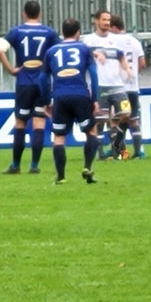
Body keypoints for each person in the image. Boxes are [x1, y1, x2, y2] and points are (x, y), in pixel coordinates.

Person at [0, 0, 61, 173]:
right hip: (42, 82)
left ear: (24, 13)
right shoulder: (49, 32)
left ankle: (16, 165)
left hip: (23, 83)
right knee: (39, 123)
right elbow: (60, 52)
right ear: (39, 13)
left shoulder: (16, 31)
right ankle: (34, 166)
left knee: (20, 123)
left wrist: (11, 70)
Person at [44, 18, 101, 184]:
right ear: (78, 32)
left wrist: (47, 99)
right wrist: (95, 98)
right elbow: (94, 75)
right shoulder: (84, 48)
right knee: (91, 131)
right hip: (80, 94)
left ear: (63, 32)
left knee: (59, 136)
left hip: (60, 96)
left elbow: (43, 77)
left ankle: (61, 177)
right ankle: (87, 168)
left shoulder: (51, 51)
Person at [81, 10, 131, 161]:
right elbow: (83, 54)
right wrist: (96, 53)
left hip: (117, 84)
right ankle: (101, 152)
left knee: (126, 114)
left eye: (108, 20)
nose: (107, 23)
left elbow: (121, 56)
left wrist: (126, 68)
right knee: (99, 120)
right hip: (99, 85)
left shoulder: (115, 40)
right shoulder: (88, 40)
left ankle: (115, 146)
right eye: (104, 20)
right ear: (96, 21)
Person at [110, 14, 147, 159]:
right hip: (133, 87)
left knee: (115, 119)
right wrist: (132, 75)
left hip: (118, 88)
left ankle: (118, 149)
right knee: (133, 120)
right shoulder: (134, 41)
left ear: (113, 27)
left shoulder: (112, 41)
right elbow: (143, 63)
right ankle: (138, 152)